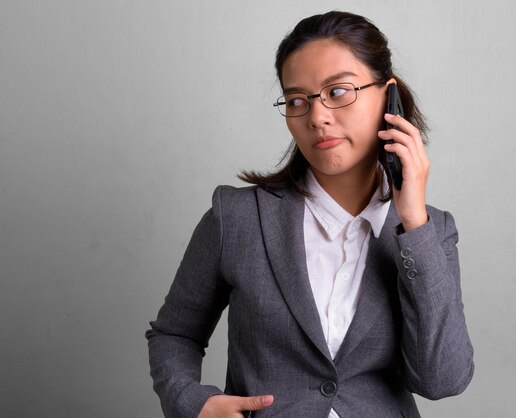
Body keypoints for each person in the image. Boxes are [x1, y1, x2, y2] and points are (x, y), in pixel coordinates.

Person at [146, 11, 474, 418]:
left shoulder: (430, 231)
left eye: (339, 91)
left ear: (388, 96)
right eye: (298, 100)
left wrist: (413, 223)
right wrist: (193, 403)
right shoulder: (237, 218)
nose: (316, 117)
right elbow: (174, 334)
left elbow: (442, 380)